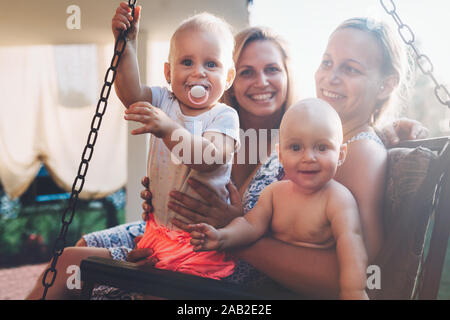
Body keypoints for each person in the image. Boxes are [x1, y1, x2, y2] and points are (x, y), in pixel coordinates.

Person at [27, 18, 426, 300]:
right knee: (73, 261)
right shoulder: (317, 140)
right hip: (197, 242)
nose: (331, 77)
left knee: (71, 267)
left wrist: (231, 234)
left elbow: (352, 277)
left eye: (351, 69)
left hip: (217, 270)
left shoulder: (355, 153)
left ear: (386, 83)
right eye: (326, 62)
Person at [189, 98, 369, 300]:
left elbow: (352, 247)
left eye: (322, 147)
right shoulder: (274, 193)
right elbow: (250, 225)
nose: (309, 157)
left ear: (341, 154)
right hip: (266, 290)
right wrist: (223, 237)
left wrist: (353, 292)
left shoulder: (337, 199)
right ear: (280, 155)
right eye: (295, 148)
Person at [113, 4, 241, 279]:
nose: (199, 72)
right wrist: (127, 44)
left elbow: (209, 158)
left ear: (228, 77)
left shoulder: (224, 116)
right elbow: (130, 93)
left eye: (211, 64)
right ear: (169, 73)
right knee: (144, 286)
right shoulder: (163, 101)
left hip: (198, 243)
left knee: (178, 291)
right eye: (187, 62)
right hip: (157, 231)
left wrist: (167, 128)